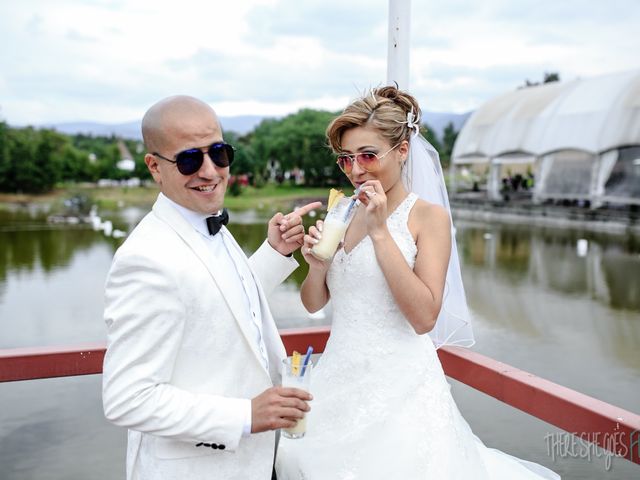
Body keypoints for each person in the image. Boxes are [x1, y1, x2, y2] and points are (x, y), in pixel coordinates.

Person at [275, 86, 560, 479]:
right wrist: (317, 265)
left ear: (403, 151)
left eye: (368, 155)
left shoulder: (429, 218)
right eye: (346, 159)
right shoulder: (344, 212)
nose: (356, 169)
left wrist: (379, 232)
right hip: (338, 377)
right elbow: (312, 304)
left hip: (401, 389)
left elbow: (424, 317)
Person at [102, 95, 320, 480]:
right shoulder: (146, 258)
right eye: (189, 159)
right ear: (155, 167)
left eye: (218, 153)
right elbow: (127, 399)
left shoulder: (204, 221)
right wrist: (246, 415)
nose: (210, 171)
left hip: (256, 460)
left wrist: (274, 252)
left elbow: (219, 301)